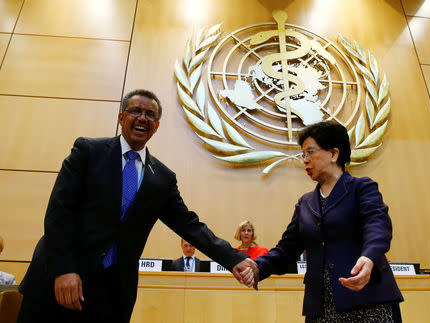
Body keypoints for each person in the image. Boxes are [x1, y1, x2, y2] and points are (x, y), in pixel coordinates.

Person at [17, 89, 256, 323]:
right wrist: (64, 269)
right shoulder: (88, 152)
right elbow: (59, 212)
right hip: (60, 281)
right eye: (135, 111)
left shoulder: (162, 177)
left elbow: (189, 224)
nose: (143, 118)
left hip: (111, 293)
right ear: (121, 118)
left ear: (157, 125)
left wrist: (232, 258)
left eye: (150, 114)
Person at [248, 121, 404, 322]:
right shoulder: (305, 203)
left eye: (310, 152)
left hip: (368, 299)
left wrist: (369, 257)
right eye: (303, 154)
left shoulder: (361, 188)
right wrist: (257, 266)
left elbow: (377, 226)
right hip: (321, 307)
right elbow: (286, 249)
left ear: (334, 154)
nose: (304, 160)